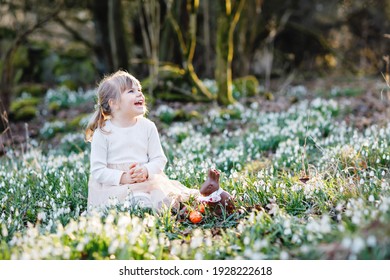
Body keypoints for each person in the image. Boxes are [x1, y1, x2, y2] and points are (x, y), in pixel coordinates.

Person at [85, 70, 198, 211]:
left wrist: (145, 170)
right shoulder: (102, 132)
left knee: (164, 198)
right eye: (131, 91)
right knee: (130, 203)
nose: (140, 94)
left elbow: (159, 159)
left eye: (140, 90)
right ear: (113, 103)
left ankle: (152, 205)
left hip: (146, 181)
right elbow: (98, 170)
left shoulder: (147, 127)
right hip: (115, 187)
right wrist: (124, 177)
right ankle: (141, 205)